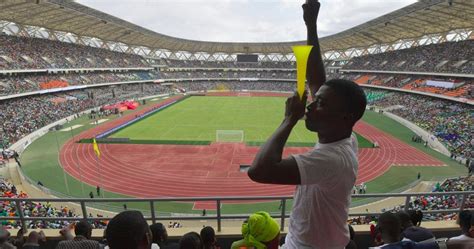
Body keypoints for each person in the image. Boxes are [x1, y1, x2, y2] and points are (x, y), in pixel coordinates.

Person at [248, 1, 366, 248]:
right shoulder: (345, 137)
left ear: (345, 116)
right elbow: (317, 82)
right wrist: (311, 25)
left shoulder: (332, 159)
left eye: (320, 103)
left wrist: (289, 119)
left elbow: (259, 170)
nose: (311, 106)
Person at [370, 212, 474, 249]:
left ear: (379, 230)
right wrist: (466, 241)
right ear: (401, 229)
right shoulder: (410, 244)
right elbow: (441, 244)